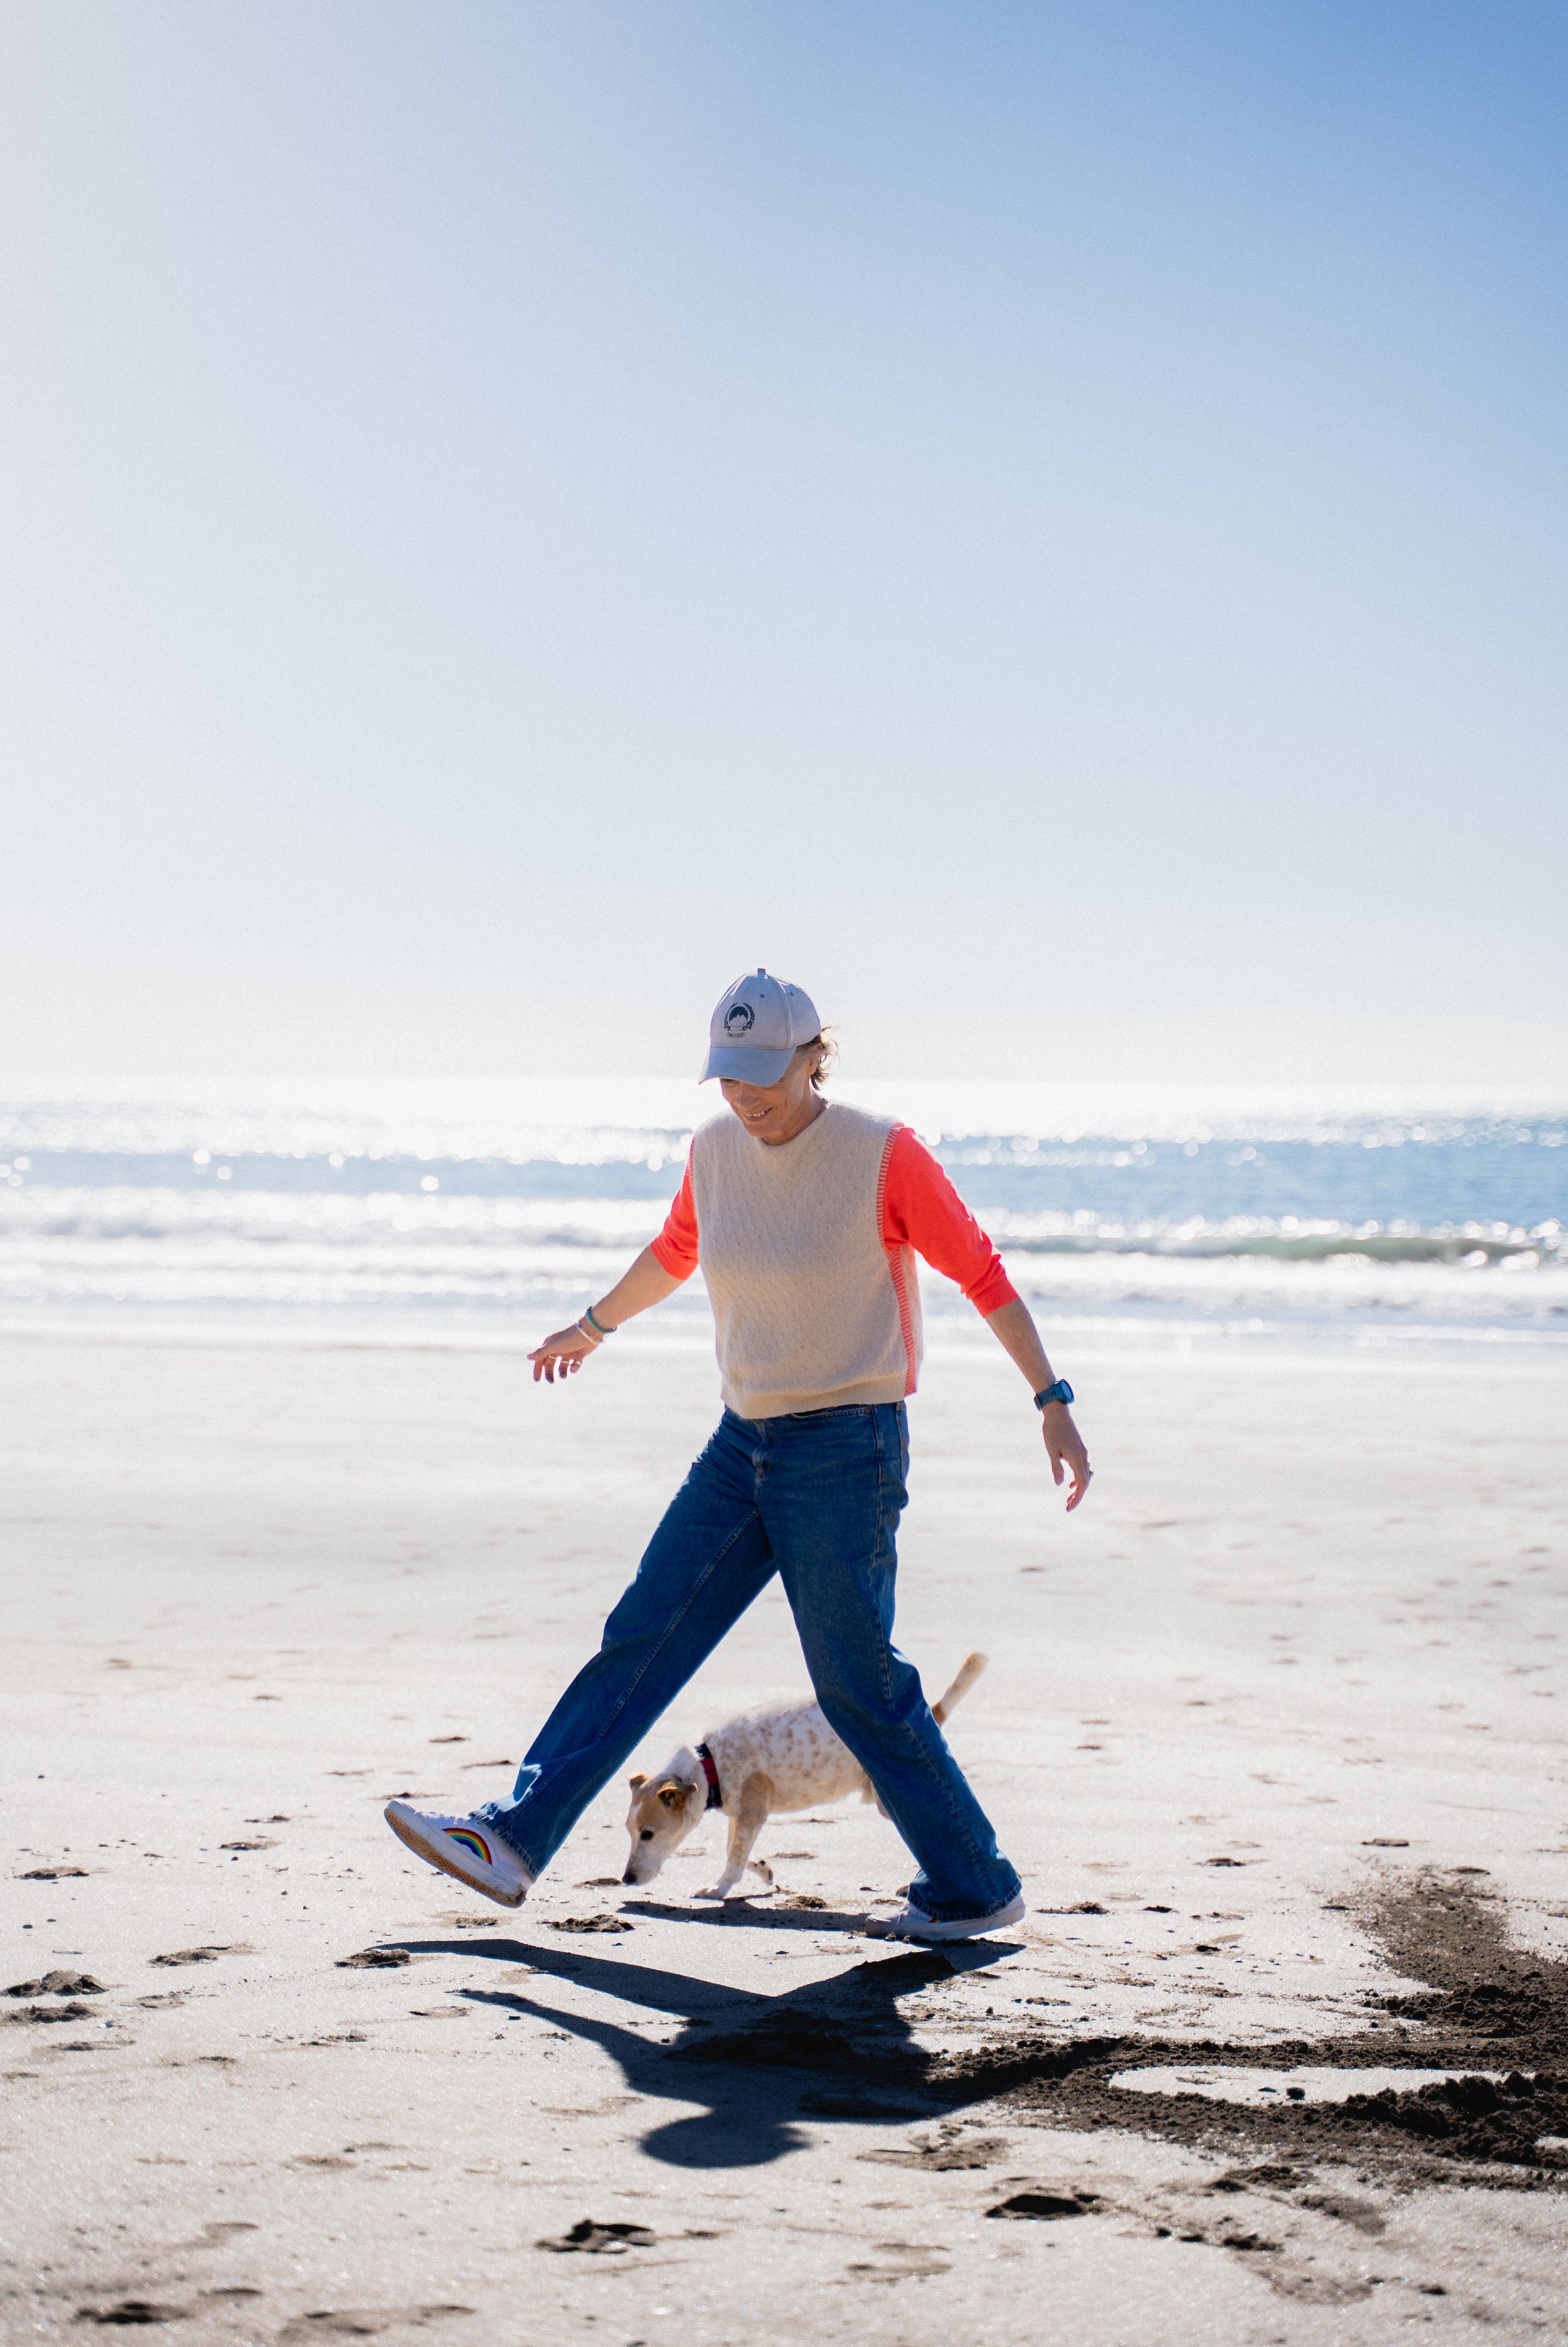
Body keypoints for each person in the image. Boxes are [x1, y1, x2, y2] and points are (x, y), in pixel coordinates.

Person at [386, 970, 1091, 1942]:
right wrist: (592, 1327)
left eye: (765, 1075)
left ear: (814, 1057)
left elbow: (981, 1270)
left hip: (847, 1447)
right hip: (742, 1443)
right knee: (644, 1633)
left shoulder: (884, 1154)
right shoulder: (716, 1147)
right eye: (731, 1077)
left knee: (856, 1682)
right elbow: (679, 1247)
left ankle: (975, 1883)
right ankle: (512, 1837)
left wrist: (1051, 1399)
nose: (747, 1097)